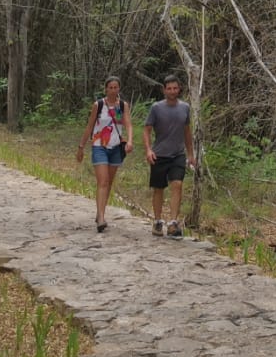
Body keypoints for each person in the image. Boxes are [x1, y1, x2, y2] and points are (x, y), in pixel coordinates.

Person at [76, 76, 132, 232]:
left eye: (116, 87)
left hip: (116, 147)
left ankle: (100, 211)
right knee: (103, 181)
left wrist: (130, 141)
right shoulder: (98, 105)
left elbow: (128, 123)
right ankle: (101, 218)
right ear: (106, 89)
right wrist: (81, 147)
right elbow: (89, 126)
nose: (113, 90)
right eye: (110, 87)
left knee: (109, 183)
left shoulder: (123, 105)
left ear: (119, 89)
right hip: (99, 146)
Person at [142, 75, 196, 237]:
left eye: (175, 88)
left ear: (179, 89)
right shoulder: (156, 108)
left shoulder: (185, 108)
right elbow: (146, 130)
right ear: (164, 90)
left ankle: (173, 223)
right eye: (169, 88)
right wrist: (148, 150)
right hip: (159, 155)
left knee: (177, 184)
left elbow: (187, 132)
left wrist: (191, 154)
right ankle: (158, 221)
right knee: (159, 189)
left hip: (178, 154)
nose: (172, 91)